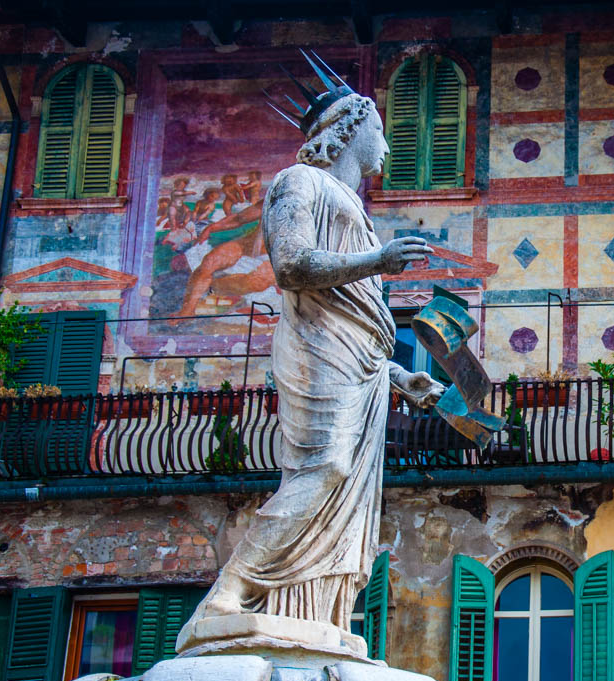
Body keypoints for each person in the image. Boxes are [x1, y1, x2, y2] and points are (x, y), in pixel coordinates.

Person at [180, 76, 439, 642]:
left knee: (348, 496)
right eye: (379, 130)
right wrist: (379, 259)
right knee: (329, 468)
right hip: (317, 342)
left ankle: (312, 615)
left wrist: (398, 377)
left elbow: (363, 315)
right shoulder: (298, 182)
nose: (388, 147)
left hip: (361, 361)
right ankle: (232, 588)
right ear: (348, 128)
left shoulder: (354, 206)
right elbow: (293, 266)